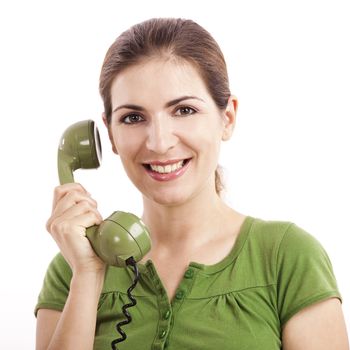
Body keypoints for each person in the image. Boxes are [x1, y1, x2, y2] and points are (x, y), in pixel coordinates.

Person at [35, 18, 349, 350]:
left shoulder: (289, 256)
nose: (159, 142)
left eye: (183, 110)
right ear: (110, 133)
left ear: (226, 118)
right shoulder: (71, 268)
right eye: (133, 117)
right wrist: (86, 276)